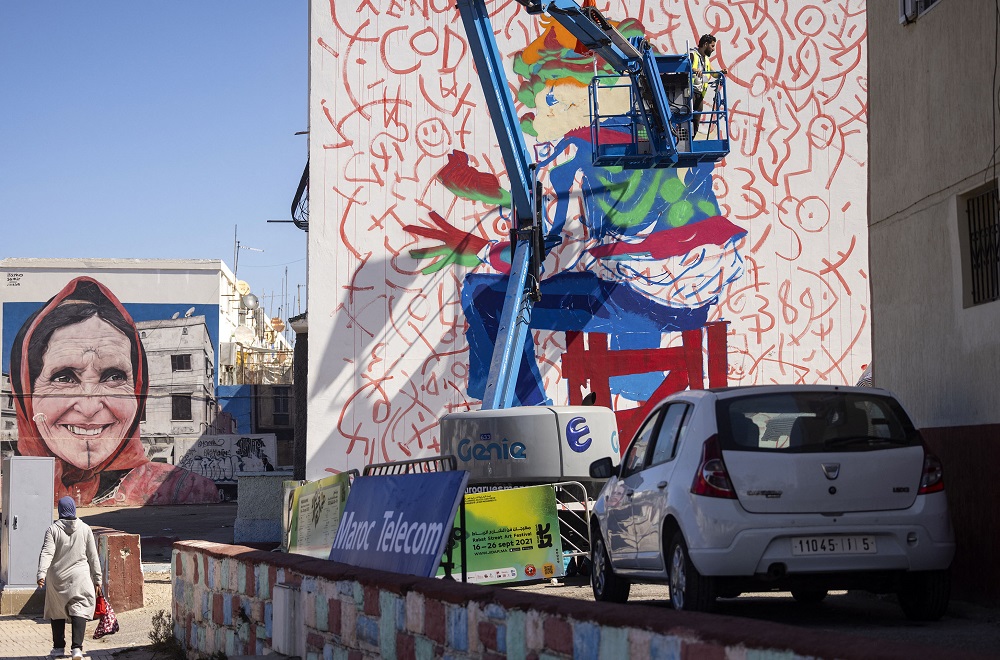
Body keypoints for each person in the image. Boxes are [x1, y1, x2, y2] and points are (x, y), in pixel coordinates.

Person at [11, 276, 220, 505]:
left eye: (114, 377)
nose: (89, 408)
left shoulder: (183, 491)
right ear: (25, 390)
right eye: (64, 378)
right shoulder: (11, 491)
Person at [36, 496, 102, 659]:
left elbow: (47, 552)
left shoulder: (53, 530)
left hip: (58, 578)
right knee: (79, 609)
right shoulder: (85, 528)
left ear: (60, 510)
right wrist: (98, 578)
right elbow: (93, 556)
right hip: (80, 577)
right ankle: (77, 649)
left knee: (57, 611)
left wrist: (41, 573)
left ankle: (58, 649)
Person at [690, 34, 722, 136]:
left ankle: (692, 138)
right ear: (705, 44)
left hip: (699, 93)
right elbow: (686, 67)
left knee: (696, 118)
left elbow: (714, 73)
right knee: (687, 117)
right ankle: (684, 141)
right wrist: (694, 69)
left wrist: (721, 72)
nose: (713, 49)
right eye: (712, 46)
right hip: (690, 91)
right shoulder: (692, 54)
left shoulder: (706, 60)